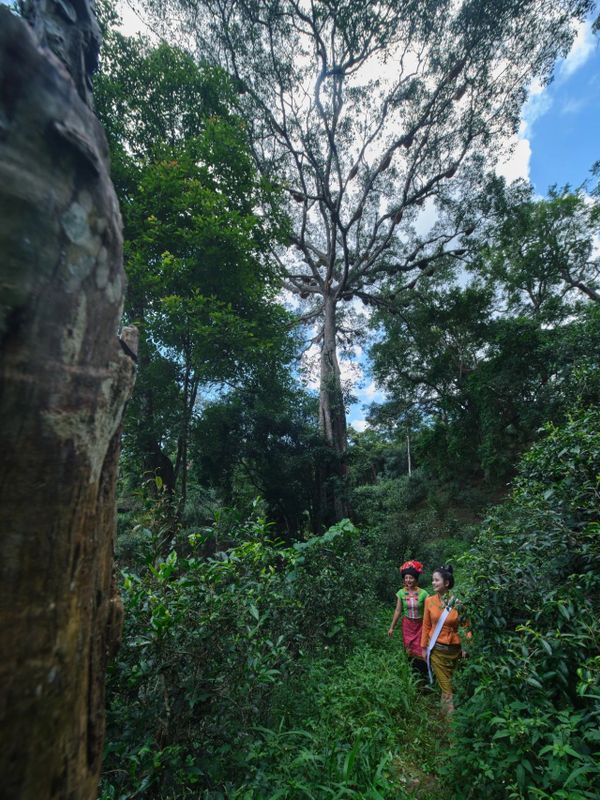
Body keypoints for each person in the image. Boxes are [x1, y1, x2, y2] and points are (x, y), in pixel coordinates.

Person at [421, 564, 468, 715]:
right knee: (447, 688)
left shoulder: (458, 603)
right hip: (437, 650)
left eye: (436, 580)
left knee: (448, 684)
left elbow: (467, 627)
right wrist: (423, 647)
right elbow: (426, 625)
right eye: (432, 580)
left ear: (446, 583)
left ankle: (444, 714)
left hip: (455, 651)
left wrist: (467, 647)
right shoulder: (429, 601)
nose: (433, 583)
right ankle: (451, 726)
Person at [388, 560, 428, 677]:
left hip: (420, 625)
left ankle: (424, 674)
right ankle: (413, 673)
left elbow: (428, 612)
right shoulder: (401, 593)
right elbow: (398, 611)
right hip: (407, 625)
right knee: (409, 649)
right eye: (406, 578)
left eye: (411, 578)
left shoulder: (424, 594)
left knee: (422, 649)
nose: (408, 580)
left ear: (416, 579)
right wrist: (392, 627)